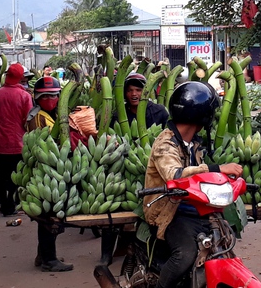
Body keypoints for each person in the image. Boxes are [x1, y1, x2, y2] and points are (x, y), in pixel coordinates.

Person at [143, 81, 243, 288]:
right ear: (201, 116)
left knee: (221, 241)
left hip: (193, 207)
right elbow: (174, 175)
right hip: (169, 211)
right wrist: (217, 168)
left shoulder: (193, 144)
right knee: (185, 254)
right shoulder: (165, 143)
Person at [100, 71, 170, 266]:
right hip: (124, 164)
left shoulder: (159, 112)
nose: (134, 94)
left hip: (153, 166)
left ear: (145, 91)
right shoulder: (118, 115)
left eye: (138, 90)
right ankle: (106, 254)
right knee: (112, 205)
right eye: (129, 90)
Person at [25, 76, 74, 272]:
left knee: (47, 217)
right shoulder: (40, 117)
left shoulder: (47, 113)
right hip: (46, 169)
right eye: (44, 96)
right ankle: (49, 260)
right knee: (50, 217)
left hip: (48, 168)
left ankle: (43, 255)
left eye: (53, 95)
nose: (49, 99)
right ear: (37, 98)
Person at [0, 63, 33, 216]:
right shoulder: (25, 96)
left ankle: (2, 204)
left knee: (0, 175)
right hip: (18, 145)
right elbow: (28, 121)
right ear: (21, 78)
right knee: (15, 178)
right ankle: (11, 207)